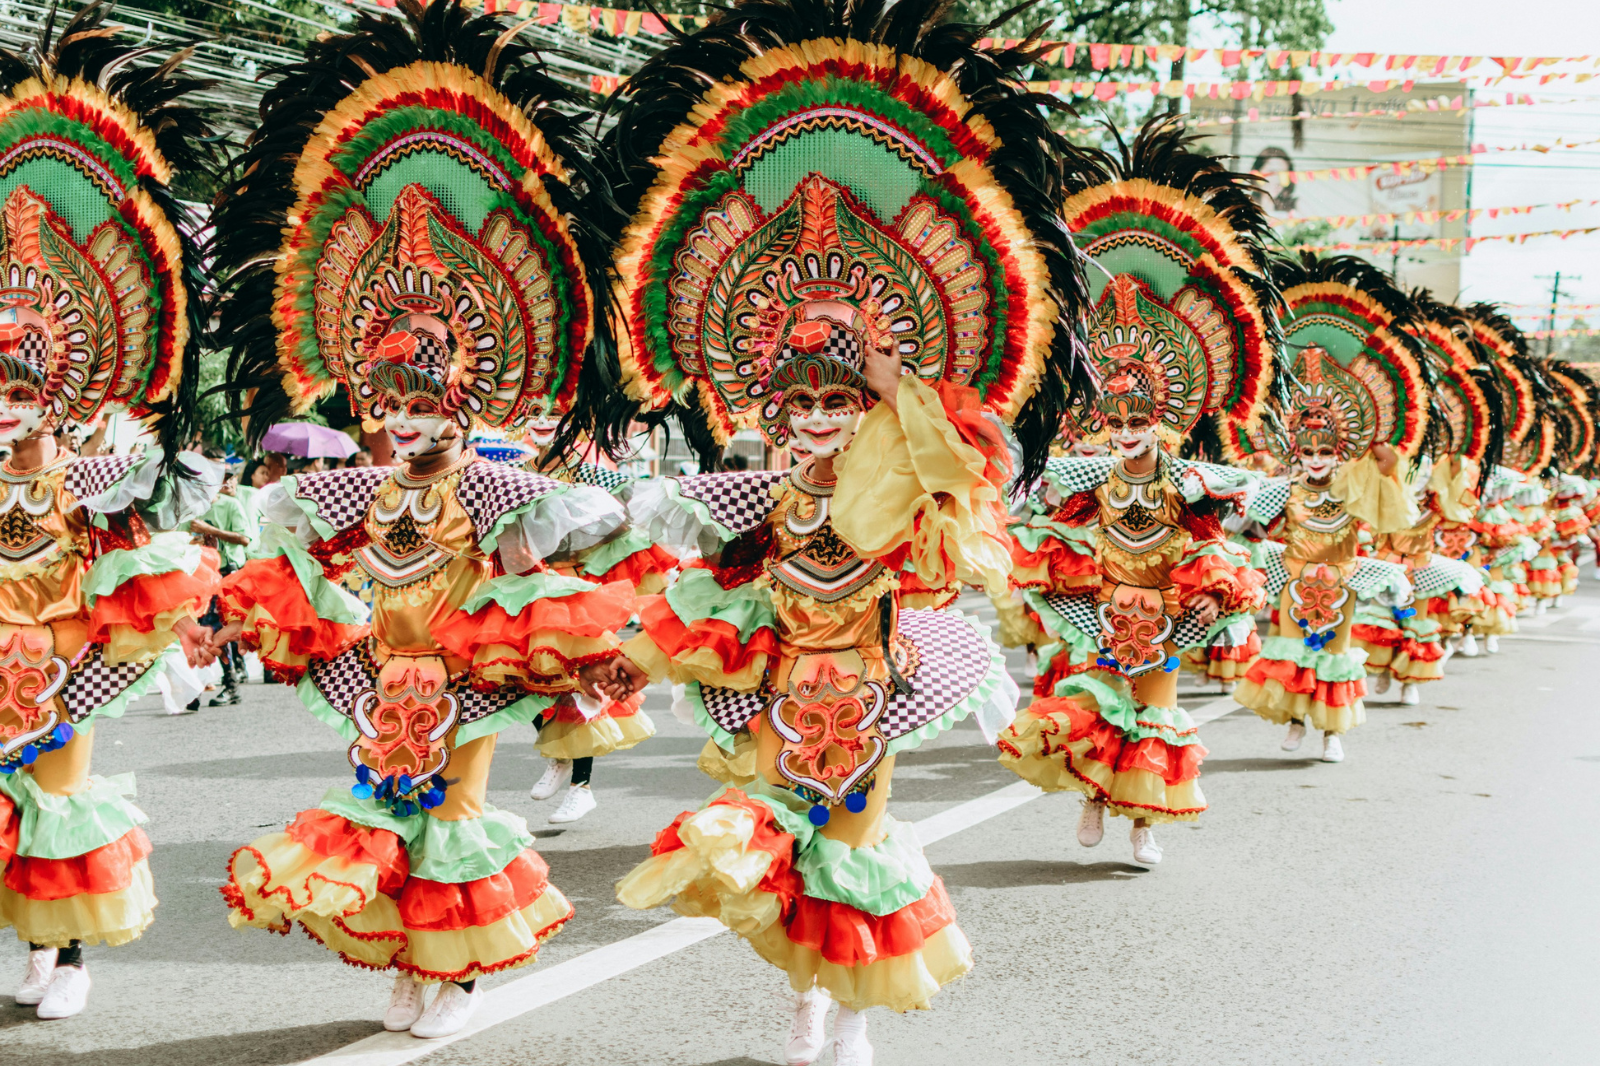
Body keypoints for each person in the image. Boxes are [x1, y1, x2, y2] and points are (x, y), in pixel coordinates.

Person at [589, 3, 1093, 1060]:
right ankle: (803, 1002)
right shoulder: (757, 486)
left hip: (873, 678)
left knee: (854, 847)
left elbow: (969, 463)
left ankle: (852, 1010)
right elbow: (700, 558)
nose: (816, 418)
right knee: (770, 836)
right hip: (780, 676)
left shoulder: (899, 467)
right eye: (797, 402)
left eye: (835, 400)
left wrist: (895, 383)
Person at [200, 1, 637, 1040]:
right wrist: (236, 611)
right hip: (383, 679)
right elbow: (291, 531)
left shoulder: (489, 486)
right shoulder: (367, 482)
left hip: (466, 681)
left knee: (451, 823)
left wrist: (558, 585)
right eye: (390, 404)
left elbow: (599, 520)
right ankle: (411, 966)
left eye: (426, 404)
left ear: (465, 404)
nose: (405, 419)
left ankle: (460, 975)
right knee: (389, 822)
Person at [0, 10, 219, 1020]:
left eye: (25, 385)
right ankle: (35, 944)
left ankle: (72, 954)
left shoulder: (98, 470)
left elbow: (151, 541)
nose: (10, 404)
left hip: (60, 660)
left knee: (55, 807)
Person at [994, 118, 1275, 866]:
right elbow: (1047, 500)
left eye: (1140, 417)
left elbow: (1218, 537)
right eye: (1114, 415)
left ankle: (1143, 825)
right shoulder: (1092, 473)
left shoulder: (1190, 480)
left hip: (1165, 613)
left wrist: (1212, 593)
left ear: (1167, 419)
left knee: (1154, 716)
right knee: (1095, 708)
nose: (1125, 429)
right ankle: (1092, 798)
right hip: (1105, 603)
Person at [1232, 255, 1428, 762]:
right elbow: (1241, 513)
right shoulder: (1285, 486)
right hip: (1295, 578)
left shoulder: (1355, 485)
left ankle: (1331, 733)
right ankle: (1297, 718)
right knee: (1291, 655)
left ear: (1339, 452)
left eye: (1325, 452)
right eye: (1308, 451)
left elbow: (1396, 507)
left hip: (1340, 581)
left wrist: (1388, 461)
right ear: (1295, 450)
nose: (1316, 460)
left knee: (1335, 657)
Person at [190, 457, 255, 706]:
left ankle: (231, 684)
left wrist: (211, 530)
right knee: (199, 629)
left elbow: (244, 538)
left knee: (221, 628)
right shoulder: (194, 508)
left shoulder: (231, 505)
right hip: (200, 573)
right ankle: (194, 686)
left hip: (228, 572)